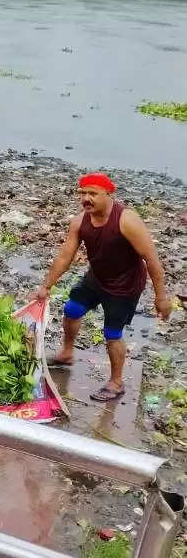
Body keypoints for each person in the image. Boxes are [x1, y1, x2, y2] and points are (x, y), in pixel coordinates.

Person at [34, 172, 172, 402]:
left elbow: (152, 260)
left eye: (93, 194)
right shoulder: (80, 221)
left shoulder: (127, 221)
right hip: (96, 278)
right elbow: (64, 257)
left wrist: (161, 298)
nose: (86, 199)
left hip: (124, 286)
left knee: (112, 333)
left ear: (108, 194)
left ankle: (116, 382)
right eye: (83, 194)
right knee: (72, 309)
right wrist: (46, 286)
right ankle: (67, 353)